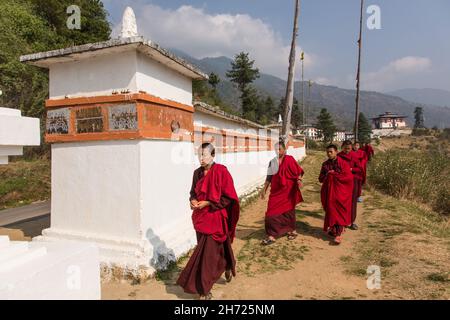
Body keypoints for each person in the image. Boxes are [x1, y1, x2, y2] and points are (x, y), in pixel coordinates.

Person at [177, 143, 240, 300]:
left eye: (204, 155)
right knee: (213, 251)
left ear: (213, 155)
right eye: (199, 155)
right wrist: (193, 201)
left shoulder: (221, 172)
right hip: (201, 218)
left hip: (217, 217)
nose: (201, 159)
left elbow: (228, 197)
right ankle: (227, 264)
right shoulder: (197, 173)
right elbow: (193, 193)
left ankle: (204, 290)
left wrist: (209, 203)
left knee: (207, 256)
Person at [260, 140, 304, 245]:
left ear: (285, 149)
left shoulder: (290, 159)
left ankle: (292, 230)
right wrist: (264, 189)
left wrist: (299, 180)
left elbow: (298, 172)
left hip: (288, 190)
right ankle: (272, 235)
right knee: (271, 213)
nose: (278, 151)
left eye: (280, 149)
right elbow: (269, 177)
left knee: (289, 212)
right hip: (276, 191)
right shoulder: (272, 162)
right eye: (276, 149)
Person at [319, 144, 354, 244]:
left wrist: (335, 175)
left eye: (331, 152)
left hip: (340, 192)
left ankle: (338, 235)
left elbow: (349, 178)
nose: (329, 154)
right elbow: (320, 179)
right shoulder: (325, 165)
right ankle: (335, 230)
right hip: (329, 192)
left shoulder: (343, 163)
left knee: (339, 211)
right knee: (331, 211)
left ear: (336, 151)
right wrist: (328, 174)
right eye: (327, 152)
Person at [337, 140, 363, 230]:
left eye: (349, 149)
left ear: (351, 148)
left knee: (352, 202)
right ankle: (342, 221)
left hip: (352, 181)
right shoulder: (338, 156)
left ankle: (352, 221)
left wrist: (351, 169)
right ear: (342, 147)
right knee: (342, 202)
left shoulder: (354, 156)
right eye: (345, 148)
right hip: (341, 182)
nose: (347, 150)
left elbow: (359, 169)